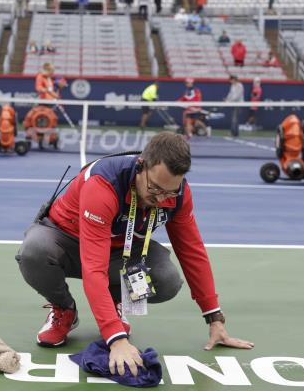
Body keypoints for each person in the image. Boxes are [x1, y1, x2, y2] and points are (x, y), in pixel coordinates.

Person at [17, 132, 255, 370]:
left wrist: (215, 318)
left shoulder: (177, 193)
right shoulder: (103, 184)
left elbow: (192, 251)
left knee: (166, 280)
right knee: (34, 251)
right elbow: (93, 266)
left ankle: (115, 299)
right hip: (66, 243)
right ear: (141, 165)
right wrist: (116, 339)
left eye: (169, 192)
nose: (161, 199)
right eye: (155, 189)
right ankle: (64, 309)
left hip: (120, 250)